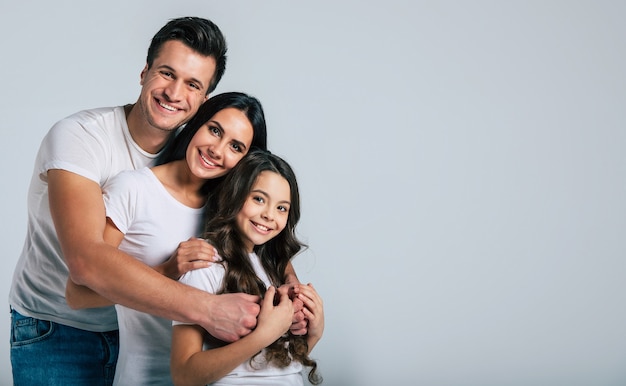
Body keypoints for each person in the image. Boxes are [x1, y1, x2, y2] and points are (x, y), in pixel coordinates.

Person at [9, 17, 303, 385]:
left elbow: (259, 231)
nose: (175, 93)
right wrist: (208, 308)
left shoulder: (207, 169)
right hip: (57, 326)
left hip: (147, 333)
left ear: (203, 101)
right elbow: (85, 264)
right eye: (167, 73)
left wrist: (293, 292)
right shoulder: (80, 139)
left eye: (192, 84)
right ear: (145, 72)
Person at [65, 92, 267, 385]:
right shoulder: (133, 189)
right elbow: (77, 294)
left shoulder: (233, 212)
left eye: (235, 146)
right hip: (145, 377)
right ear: (196, 123)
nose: (217, 149)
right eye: (214, 130)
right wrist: (167, 270)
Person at [170, 149, 324, 385]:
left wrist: (314, 334)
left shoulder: (274, 267)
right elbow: (184, 375)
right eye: (259, 199)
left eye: (281, 208)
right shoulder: (205, 262)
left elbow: (280, 367)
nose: (269, 215)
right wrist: (264, 334)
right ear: (235, 195)